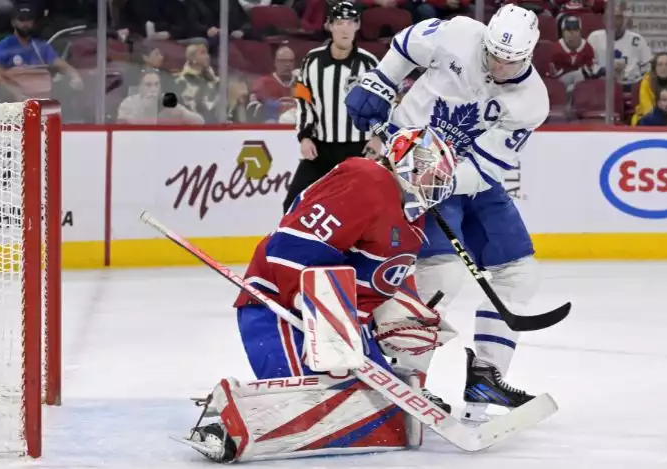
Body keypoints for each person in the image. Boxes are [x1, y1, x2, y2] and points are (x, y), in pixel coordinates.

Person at [184, 126, 459, 462]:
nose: (436, 184)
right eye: (431, 172)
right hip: (280, 307)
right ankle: (224, 419)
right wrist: (320, 312)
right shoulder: (367, 179)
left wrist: (403, 313)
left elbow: (384, 278)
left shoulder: (414, 218)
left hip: (340, 324)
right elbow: (291, 246)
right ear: (405, 160)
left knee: (381, 416)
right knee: (317, 412)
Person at [345, 4, 549, 421]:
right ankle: (406, 377)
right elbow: (406, 45)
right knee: (443, 272)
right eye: (493, 55)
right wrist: (382, 80)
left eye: (511, 62)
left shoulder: (531, 101)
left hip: (466, 178)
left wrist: (440, 179)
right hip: (408, 157)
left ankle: (486, 377)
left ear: (529, 55)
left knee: (521, 272)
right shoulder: (458, 33)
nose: (499, 67)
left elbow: (486, 167)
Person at [286, 1, 379, 213]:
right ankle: (298, 246)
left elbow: (383, 104)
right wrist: (305, 136)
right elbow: (303, 99)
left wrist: (377, 137)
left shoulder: (369, 64)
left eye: (351, 22)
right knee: (293, 204)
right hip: (321, 149)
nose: (345, 28)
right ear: (329, 25)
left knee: (357, 209)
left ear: (358, 26)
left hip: (358, 150)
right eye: (339, 22)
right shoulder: (312, 61)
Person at [631, 52, 667, 126]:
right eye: (660, 64)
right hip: (651, 117)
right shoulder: (647, 81)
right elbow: (647, 109)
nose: (664, 68)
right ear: (655, 67)